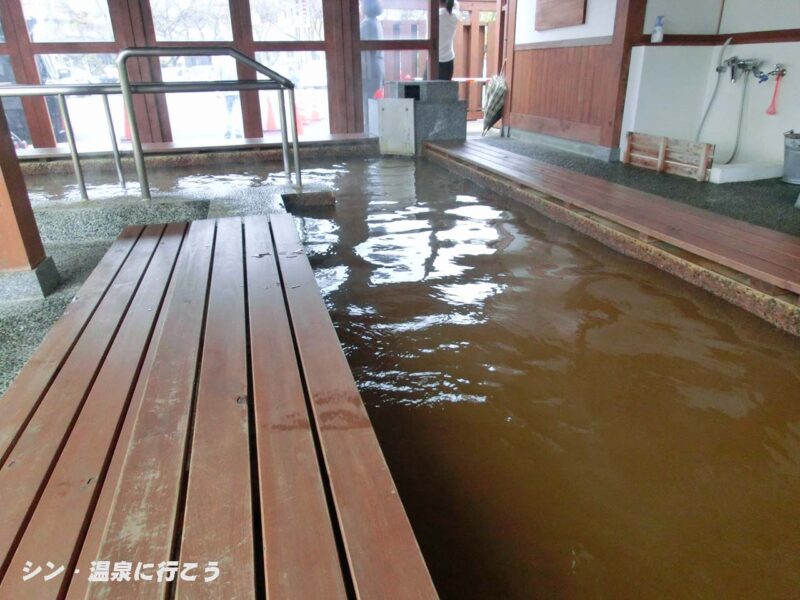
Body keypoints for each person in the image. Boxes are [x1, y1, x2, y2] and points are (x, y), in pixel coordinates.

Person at [361, 0, 385, 130]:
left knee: (368, 104)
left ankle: (370, 132)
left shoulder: (367, 24)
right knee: (374, 103)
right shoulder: (376, 23)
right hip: (377, 67)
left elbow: (368, 51)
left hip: (369, 70)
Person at [438, 0, 460, 81]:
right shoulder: (454, 16)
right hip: (448, 62)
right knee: (445, 92)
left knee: (426, 92)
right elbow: (455, 4)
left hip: (434, 60)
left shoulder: (435, 16)